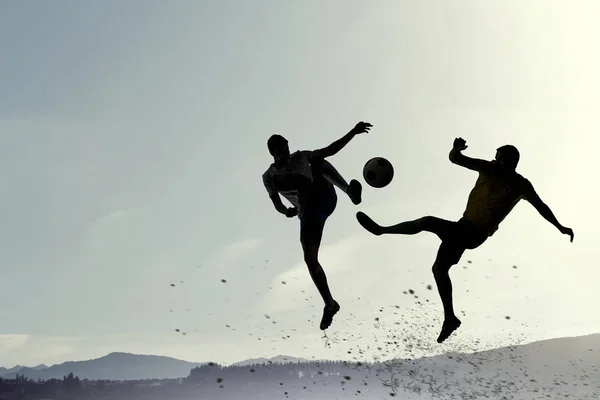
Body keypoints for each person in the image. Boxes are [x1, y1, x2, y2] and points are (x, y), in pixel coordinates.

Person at [355, 137, 574, 343]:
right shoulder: (489, 168)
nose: (494, 159)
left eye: (497, 157)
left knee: (427, 222)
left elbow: (541, 207)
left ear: (507, 161)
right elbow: (456, 159)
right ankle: (450, 318)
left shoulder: (519, 184)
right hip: (463, 227)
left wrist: (560, 227)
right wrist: (456, 149)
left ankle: (381, 230)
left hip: (474, 232)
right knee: (439, 269)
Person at [262, 121, 373, 330]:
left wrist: (353, 132)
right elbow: (276, 203)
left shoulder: (301, 157)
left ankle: (349, 191)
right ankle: (330, 304)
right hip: (309, 215)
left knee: (319, 162)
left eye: (286, 148)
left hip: (323, 197)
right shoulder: (269, 177)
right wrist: (286, 211)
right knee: (309, 259)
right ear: (272, 153)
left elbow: (330, 149)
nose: (285, 154)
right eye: (280, 152)